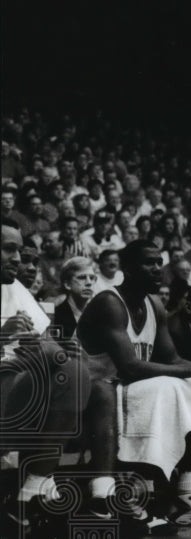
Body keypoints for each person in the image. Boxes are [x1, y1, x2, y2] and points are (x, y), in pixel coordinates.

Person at [75, 240, 191, 533]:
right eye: (148, 263)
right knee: (167, 389)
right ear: (126, 268)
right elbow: (130, 367)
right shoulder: (109, 302)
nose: (157, 269)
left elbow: (172, 358)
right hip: (90, 393)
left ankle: (188, 493)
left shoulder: (154, 304)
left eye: (159, 262)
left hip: (124, 389)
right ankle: (128, 497)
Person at [1, 219, 91, 535]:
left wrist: (53, 349)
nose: (16, 259)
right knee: (69, 369)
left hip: (16, 385)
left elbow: (48, 346)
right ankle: (33, 491)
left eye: (19, 251)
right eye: (8, 249)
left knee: (85, 377)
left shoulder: (15, 288)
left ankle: (99, 495)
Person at [52, 256, 97, 338]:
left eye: (92, 278)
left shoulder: (99, 315)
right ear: (67, 284)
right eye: (82, 277)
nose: (89, 283)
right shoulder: (55, 317)